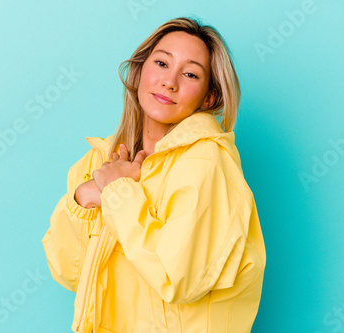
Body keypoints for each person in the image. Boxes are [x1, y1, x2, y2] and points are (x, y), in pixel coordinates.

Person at [42, 16, 266, 333]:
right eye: (161, 63)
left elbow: (179, 279)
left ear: (209, 97)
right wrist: (85, 195)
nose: (169, 81)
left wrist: (117, 192)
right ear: (140, 72)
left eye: (190, 73)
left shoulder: (207, 164)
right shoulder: (100, 161)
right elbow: (68, 272)